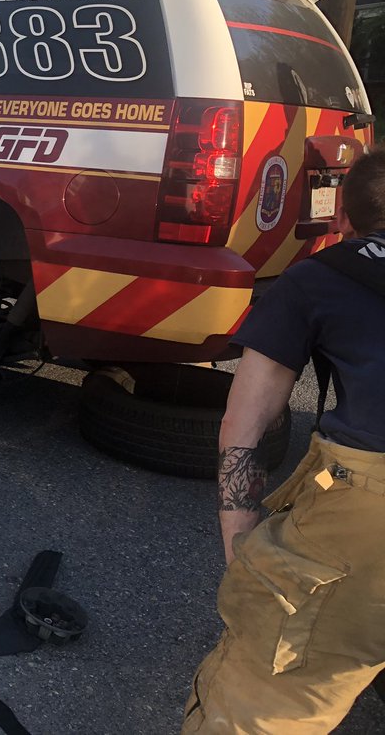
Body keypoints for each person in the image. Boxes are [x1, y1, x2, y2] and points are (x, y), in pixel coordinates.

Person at [182, 147, 385, 733]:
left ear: (342, 221)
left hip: (365, 516)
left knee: (266, 702)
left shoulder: (320, 278)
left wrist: (244, 548)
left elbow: (244, 424)